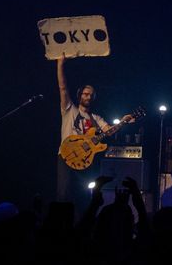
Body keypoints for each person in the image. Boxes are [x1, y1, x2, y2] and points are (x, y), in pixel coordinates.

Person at [55, 56, 135, 204]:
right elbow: (63, 87)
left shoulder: (96, 118)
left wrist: (124, 122)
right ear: (79, 96)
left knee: (83, 196)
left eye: (91, 95)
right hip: (67, 155)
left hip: (85, 160)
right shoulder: (69, 109)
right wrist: (60, 64)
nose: (88, 97)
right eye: (85, 94)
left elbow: (109, 130)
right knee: (63, 194)